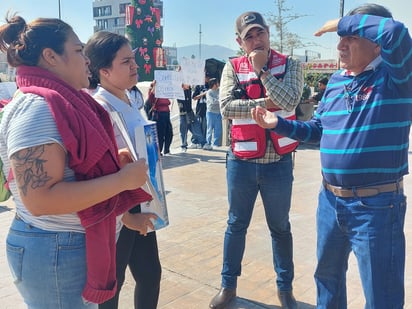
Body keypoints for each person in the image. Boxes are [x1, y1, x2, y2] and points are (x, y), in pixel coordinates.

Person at [251, 4, 411, 308]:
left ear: (375, 42)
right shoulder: (337, 82)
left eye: (349, 37)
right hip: (330, 201)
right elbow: (320, 129)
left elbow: (396, 32)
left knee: (382, 296)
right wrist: (280, 124)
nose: (340, 45)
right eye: (340, 37)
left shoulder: (397, 79)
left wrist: (340, 21)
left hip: (376, 207)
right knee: (327, 280)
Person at [0, 14, 151, 308]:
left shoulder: (65, 102)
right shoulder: (39, 108)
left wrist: (115, 179)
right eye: (79, 51)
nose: (87, 61)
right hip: (55, 249)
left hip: (63, 247)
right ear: (50, 57)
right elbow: (41, 200)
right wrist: (121, 180)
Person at [209, 11, 303, 309]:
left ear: (268, 33)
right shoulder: (232, 68)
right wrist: (267, 104)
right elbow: (226, 107)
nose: (256, 39)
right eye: (249, 36)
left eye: (259, 32)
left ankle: (285, 288)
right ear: (240, 41)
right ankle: (228, 285)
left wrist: (262, 72)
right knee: (236, 224)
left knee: (280, 227)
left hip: (279, 163)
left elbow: (290, 102)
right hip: (242, 162)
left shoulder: (290, 65)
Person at [85, 31, 162, 309]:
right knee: (112, 287)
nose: (135, 66)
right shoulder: (100, 108)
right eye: (126, 61)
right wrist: (128, 218)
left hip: (139, 202)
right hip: (120, 214)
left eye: (134, 59)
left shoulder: (130, 100)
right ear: (104, 70)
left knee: (150, 275)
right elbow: (102, 171)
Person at [177, 83, 207, 152]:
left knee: (196, 128)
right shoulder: (178, 92)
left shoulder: (188, 90)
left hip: (190, 112)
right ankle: (183, 146)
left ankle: (203, 143)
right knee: (183, 130)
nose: (188, 84)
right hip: (183, 113)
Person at [147, 81, 173, 155]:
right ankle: (159, 150)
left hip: (166, 114)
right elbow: (151, 98)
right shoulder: (153, 92)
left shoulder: (163, 92)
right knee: (160, 134)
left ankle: (167, 149)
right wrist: (155, 87)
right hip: (159, 114)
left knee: (169, 133)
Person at [191, 73, 211, 148]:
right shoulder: (198, 86)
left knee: (204, 126)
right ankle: (195, 141)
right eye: (206, 77)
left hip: (207, 109)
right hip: (199, 109)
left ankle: (203, 142)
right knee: (197, 126)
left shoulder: (210, 86)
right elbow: (194, 97)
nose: (207, 79)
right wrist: (202, 94)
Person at [203, 78, 222, 150]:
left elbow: (221, 99)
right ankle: (208, 143)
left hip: (218, 112)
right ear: (214, 84)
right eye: (217, 83)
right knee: (209, 129)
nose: (218, 84)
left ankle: (216, 144)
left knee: (218, 129)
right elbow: (212, 101)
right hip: (210, 112)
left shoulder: (220, 91)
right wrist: (219, 100)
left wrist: (219, 100)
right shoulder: (209, 92)